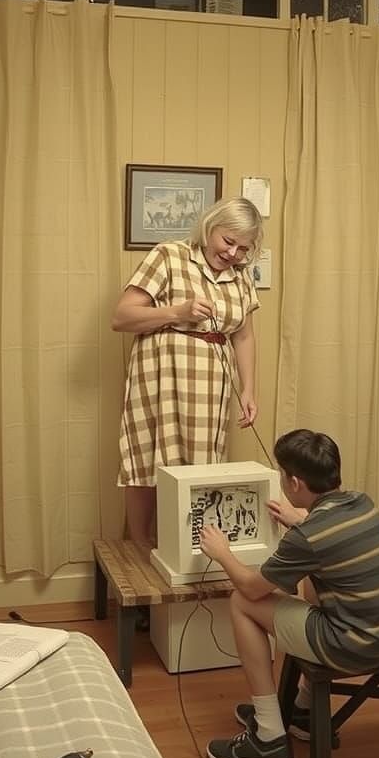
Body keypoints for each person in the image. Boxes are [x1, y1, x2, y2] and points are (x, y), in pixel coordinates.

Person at [199, 429, 379, 758]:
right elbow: (328, 538)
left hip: (358, 647)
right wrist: (301, 519)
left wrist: (222, 553)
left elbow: (252, 589)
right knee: (312, 580)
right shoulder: (362, 502)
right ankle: (302, 711)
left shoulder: (308, 537)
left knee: (240, 601)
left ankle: (268, 738)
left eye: (282, 475)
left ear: (295, 483)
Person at [112, 196, 263, 547]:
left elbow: (243, 335)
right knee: (148, 458)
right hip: (160, 377)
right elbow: (121, 317)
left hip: (210, 384)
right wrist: (178, 312)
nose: (233, 254)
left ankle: (187, 548)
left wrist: (248, 389)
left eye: (243, 248)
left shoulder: (241, 277)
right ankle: (140, 545)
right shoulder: (168, 256)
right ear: (210, 227)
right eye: (228, 241)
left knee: (201, 465)